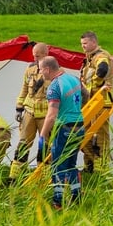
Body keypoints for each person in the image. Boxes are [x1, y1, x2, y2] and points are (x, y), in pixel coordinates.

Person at [36, 55, 85, 209]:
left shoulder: (54, 86)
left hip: (64, 128)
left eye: (40, 69)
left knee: (58, 165)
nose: (40, 73)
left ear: (47, 69)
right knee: (71, 164)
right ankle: (77, 197)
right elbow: (86, 94)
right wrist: (76, 109)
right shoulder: (74, 79)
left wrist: (42, 136)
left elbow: (51, 116)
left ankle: (58, 202)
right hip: (79, 126)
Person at [11, 41, 53, 178]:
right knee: (23, 144)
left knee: (45, 146)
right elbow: (24, 89)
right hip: (29, 113)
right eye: (34, 56)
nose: (35, 59)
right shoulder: (30, 70)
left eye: (38, 56)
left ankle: (43, 177)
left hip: (45, 116)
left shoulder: (54, 71)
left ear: (46, 55)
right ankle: (15, 177)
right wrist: (19, 108)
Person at [78, 31, 113, 181]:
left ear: (94, 42)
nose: (83, 47)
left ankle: (100, 168)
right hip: (90, 102)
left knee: (100, 135)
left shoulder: (100, 56)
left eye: (85, 44)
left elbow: (102, 70)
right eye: (82, 44)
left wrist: (94, 87)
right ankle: (90, 163)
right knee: (84, 133)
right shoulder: (89, 58)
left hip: (99, 101)